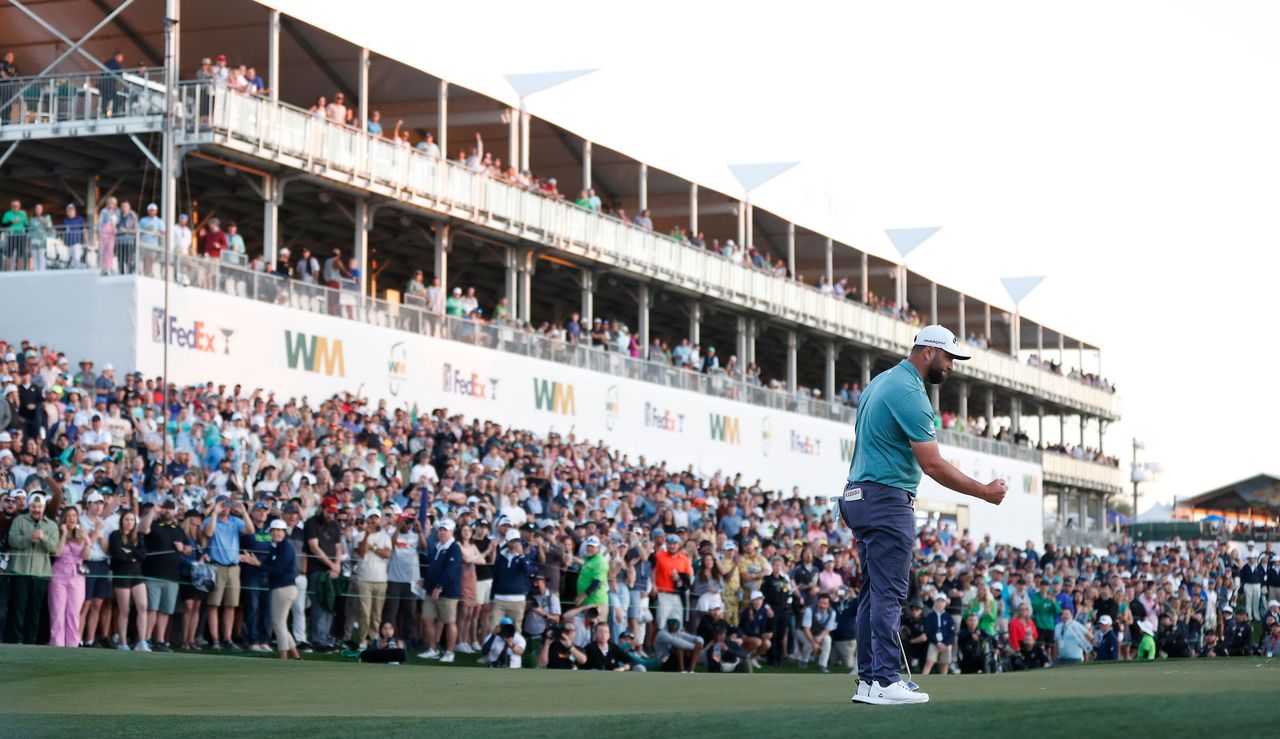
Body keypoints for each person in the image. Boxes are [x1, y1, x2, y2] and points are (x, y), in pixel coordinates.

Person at [842, 325, 1006, 705]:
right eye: (949, 357)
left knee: (872, 591)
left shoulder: (881, 380)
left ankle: (869, 680)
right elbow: (931, 464)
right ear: (928, 351)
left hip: (859, 495)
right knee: (888, 592)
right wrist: (982, 492)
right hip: (886, 499)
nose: (951, 366)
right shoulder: (911, 392)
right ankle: (884, 679)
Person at [6, 492, 59, 644]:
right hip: (20, 571)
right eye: (34, 506)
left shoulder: (51, 525)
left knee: (35, 610)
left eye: (39, 507)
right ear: (29, 506)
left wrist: (43, 538)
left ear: (44, 508)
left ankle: (31, 640)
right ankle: (17, 639)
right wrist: (29, 538)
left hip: (40, 573)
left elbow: (54, 548)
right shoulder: (19, 520)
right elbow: (13, 540)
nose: (36, 509)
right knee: (19, 608)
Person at [203, 495, 254, 650]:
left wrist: (244, 512)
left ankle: (227, 639)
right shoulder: (210, 520)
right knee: (214, 605)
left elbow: (251, 530)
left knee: (231, 605)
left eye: (227, 505)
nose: (226, 507)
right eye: (223, 504)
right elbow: (209, 533)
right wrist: (214, 512)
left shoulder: (235, 521)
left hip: (233, 567)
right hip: (217, 566)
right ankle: (216, 640)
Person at [140, 499, 188, 652]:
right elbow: (143, 528)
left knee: (166, 610)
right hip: (153, 574)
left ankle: (160, 640)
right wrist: (153, 510)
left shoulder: (178, 529)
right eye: (165, 509)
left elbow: (188, 548)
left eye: (170, 509)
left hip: (172, 576)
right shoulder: (154, 525)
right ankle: (146, 639)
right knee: (152, 609)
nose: (168, 511)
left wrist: (182, 548)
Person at [420, 518, 462, 662]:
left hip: (448, 592)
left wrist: (439, 587)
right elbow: (433, 568)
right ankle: (432, 649)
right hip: (431, 590)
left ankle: (450, 652)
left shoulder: (454, 548)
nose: (442, 532)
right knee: (427, 619)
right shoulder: (437, 546)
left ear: (451, 532)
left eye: (445, 530)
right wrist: (426, 581)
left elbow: (451, 571)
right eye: (440, 530)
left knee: (449, 621)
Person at [47, 505, 89, 647]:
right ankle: (57, 644)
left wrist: (87, 542)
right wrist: (64, 534)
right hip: (58, 574)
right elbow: (56, 553)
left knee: (73, 613)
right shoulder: (58, 533)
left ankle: (73, 645)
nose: (72, 518)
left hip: (77, 576)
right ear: (64, 518)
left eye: (74, 515)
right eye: (69, 515)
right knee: (57, 612)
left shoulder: (81, 534)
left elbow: (85, 556)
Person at [304, 496, 342, 650]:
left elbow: (338, 547)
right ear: (321, 508)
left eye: (332, 512)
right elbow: (314, 547)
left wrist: (337, 565)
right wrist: (332, 564)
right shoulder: (311, 523)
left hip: (332, 570)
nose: (330, 515)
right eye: (328, 511)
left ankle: (325, 637)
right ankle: (318, 639)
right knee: (319, 604)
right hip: (317, 569)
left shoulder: (334, 524)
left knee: (329, 604)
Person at [108, 509, 149, 651]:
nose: (129, 522)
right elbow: (117, 554)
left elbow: (143, 553)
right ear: (122, 521)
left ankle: (142, 641)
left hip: (137, 574)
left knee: (143, 606)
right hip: (122, 574)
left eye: (132, 520)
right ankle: (123, 643)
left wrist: (130, 553)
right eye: (127, 519)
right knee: (124, 610)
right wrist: (133, 555)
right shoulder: (115, 535)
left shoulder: (138, 536)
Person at [261, 518, 301, 660]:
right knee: (281, 623)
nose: (276, 533)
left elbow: (277, 570)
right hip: (282, 588)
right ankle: (295, 655)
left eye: (279, 531)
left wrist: (256, 563)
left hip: (283, 589)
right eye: (274, 531)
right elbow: (268, 565)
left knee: (278, 623)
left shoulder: (285, 547)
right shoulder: (276, 548)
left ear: (284, 533)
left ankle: (283, 656)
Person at [353, 509, 392, 646]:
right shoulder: (359, 536)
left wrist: (374, 548)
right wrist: (366, 537)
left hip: (381, 580)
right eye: (371, 518)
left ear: (379, 519)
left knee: (376, 614)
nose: (374, 520)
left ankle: (374, 639)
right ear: (367, 519)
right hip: (364, 579)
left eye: (376, 518)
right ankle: (363, 640)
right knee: (364, 613)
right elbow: (361, 552)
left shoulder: (385, 536)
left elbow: (387, 554)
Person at [922, 593, 956, 675]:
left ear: (945, 603)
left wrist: (945, 643)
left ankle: (943, 683)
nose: (940, 603)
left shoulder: (948, 617)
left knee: (944, 664)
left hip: (946, 644)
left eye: (942, 601)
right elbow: (928, 632)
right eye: (938, 601)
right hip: (934, 643)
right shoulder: (930, 616)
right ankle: (922, 681)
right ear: (934, 602)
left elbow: (952, 633)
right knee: (929, 662)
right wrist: (937, 643)